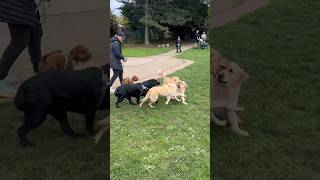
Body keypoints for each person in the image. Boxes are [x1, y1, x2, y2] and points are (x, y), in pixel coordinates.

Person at [0, 0, 46, 97]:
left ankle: (40, 75)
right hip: (16, 5)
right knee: (19, 42)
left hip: (26, 5)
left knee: (36, 35)